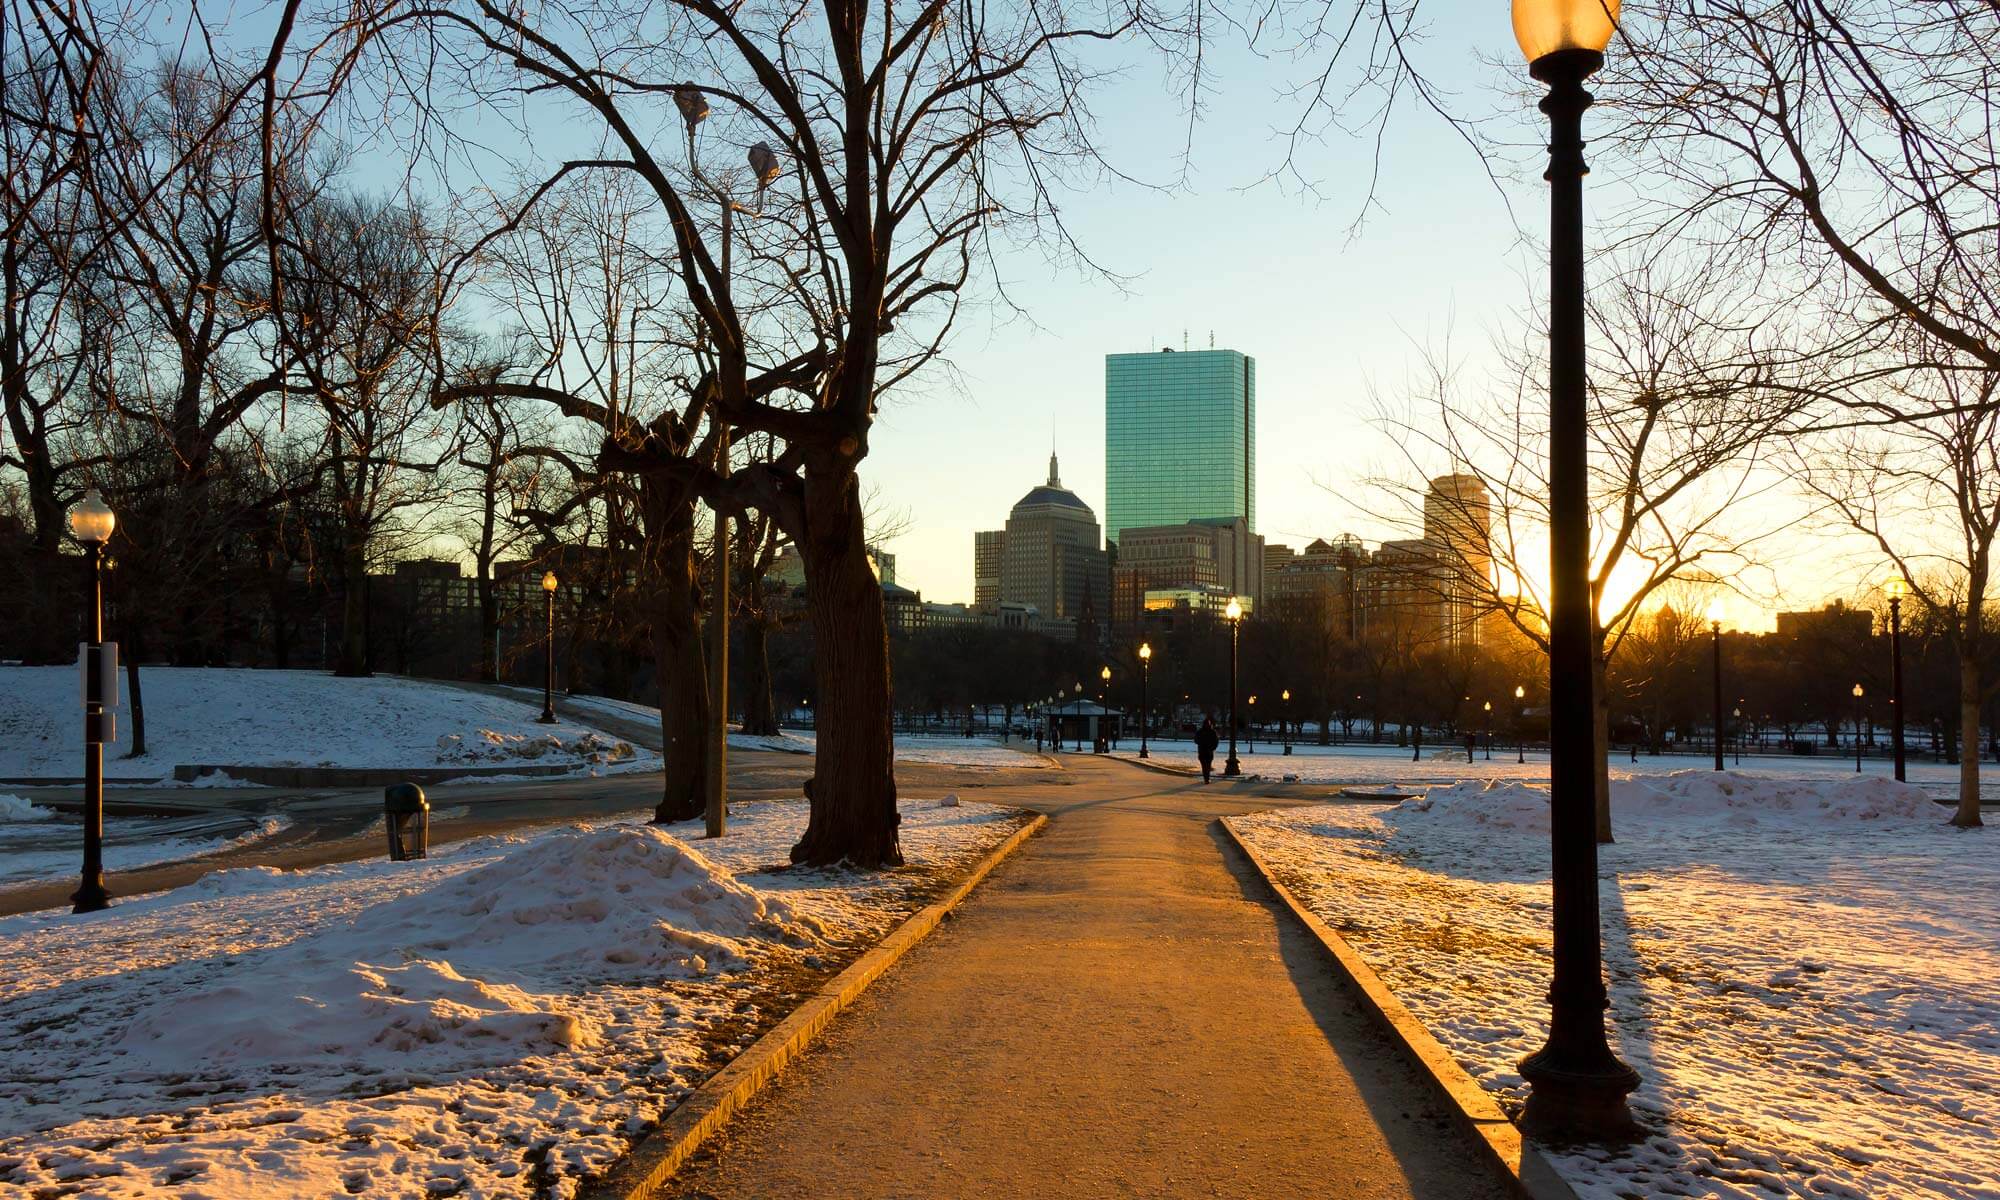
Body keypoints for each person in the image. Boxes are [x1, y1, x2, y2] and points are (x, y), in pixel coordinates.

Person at [1196, 716, 1220, 784]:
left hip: (1205, 751)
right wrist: (1213, 747)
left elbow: (1216, 741)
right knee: (1206, 766)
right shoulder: (1212, 732)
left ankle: (1206, 778)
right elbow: (1216, 741)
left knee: (1206, 766)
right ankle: (1206, 778)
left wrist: (1213, 747)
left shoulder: (1201, 732)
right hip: (1206, 751)